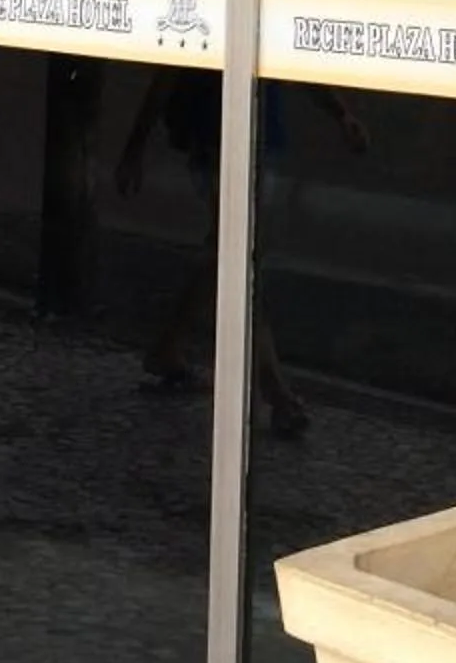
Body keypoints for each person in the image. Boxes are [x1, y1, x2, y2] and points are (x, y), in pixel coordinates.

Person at [113, 70, 367, 439]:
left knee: (228, 257)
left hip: (240, 140)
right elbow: (169, 74)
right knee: (237, 261)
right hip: (223, 140)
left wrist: (340, 114)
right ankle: (277, 394)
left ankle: (169, 347)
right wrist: (339, 114)